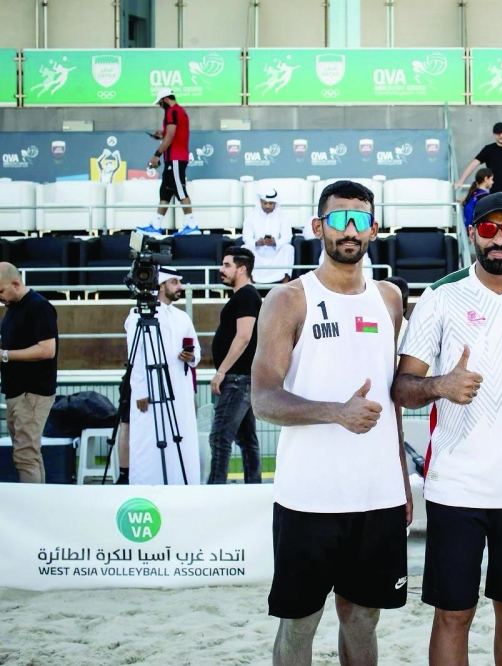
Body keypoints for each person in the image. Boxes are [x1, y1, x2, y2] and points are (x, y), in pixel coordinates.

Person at [392, 192, 502, 666]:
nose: (498, 239)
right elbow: (403, 387)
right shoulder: (440, 296)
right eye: (488, 229)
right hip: (456, 486)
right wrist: (441, 385)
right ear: (472, 233)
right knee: (454, 614)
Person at [254, 180, 411, 665]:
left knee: (363, 619)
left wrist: (402, 478)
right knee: (299, 623)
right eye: (339, 219)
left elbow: (392, 398)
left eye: (360, 220)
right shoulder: (288, 299)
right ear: (318, 226)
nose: (349, 230)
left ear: (374, 229)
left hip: (378, 494)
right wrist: (336, 413)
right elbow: (262, 399)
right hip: (309, 496)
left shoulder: (389, 298)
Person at [124, 267, 201, 485]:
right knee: (148, 443)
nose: (180, 287)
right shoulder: (137, 315)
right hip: (150, 392)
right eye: (175, 282)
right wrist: (141, 390)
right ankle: (148, 489)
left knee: (182, 438)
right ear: (161, 285)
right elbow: (135, 355)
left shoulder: (182, 317)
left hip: (180, 390)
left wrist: (191, 356)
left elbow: (196, 349)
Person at [207, 247, 262, 485]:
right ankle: (253, 487)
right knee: (247, 439)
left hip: (237, 380)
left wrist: (221, 372)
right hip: (241, 378)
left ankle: (215, 489)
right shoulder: (244, 296)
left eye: (227, 265)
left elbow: (243, 336)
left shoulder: (246, 296)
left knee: (220, 436)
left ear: (242, 269)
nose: (222, 270)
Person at [0, 263, 57, 484]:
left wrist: (5, 355)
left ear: (16, 284)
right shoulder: (14, 308)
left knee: (25, 455)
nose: (0, 297)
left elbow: (47, 350)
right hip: (17, 391)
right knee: (28, 454)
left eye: (1, 291)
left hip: (31, 391)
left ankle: (32, 502)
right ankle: (39, 499)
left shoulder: (38, 307)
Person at [141, 88, 198, 235]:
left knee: (180, 191)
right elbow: (173, 133)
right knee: (165, 193)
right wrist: (162, 134)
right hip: (172, 159)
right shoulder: (179, 111)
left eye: (160, 103)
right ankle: (156, 225)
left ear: (165, 99)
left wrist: (156, 155)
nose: (160, 106)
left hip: (176, 158)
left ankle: (192, 225)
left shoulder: (172, 112)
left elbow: (171, 135)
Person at [455, 122, 502, 197]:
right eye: (498, 133)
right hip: (494, 194)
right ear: (494, 134)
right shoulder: (488, 150)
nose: (501, 136)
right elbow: (473, 165)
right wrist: (461, 181)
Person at [241, 186, 295, 284]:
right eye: (265, 203)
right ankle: (250, 282)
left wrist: (276, 242)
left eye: (270, 203)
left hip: (276, 253)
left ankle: (285, 283)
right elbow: (246, 236)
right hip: (257, 252)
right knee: (245, 248)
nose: (267, 206)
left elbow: (287, 237)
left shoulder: (283, 217)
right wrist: (256, 243)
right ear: (260, 202)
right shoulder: (251, 216)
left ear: (275, 203)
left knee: (288, 248)